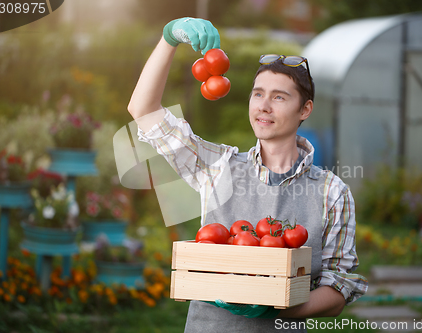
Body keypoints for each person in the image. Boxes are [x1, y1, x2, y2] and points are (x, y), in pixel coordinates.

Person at [128, 17, 368, 332]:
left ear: (305, 110)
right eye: (258, 94)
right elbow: (143, 111)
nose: (264, 106)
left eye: (279, 97)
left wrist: (280, 309)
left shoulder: (332, 192)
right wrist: (169, 38)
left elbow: (339, 286)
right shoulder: (218, 167)